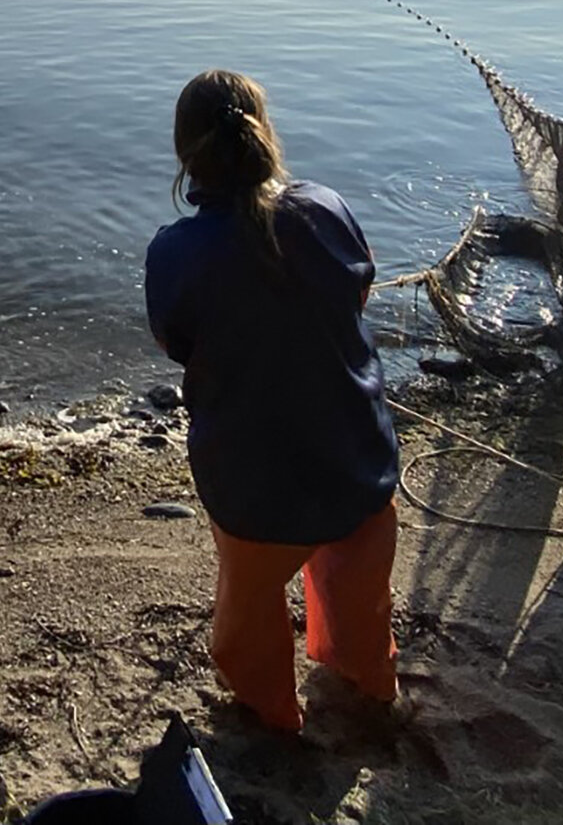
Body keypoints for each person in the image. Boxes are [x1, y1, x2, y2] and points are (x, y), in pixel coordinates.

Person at [144, 69, 400, 733]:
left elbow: (176, 341)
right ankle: (367, 681)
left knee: (249, 612)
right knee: (359, 598)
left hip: (253, 486)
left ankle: (271, 714)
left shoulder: (176, 250)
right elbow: (358, 292)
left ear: (185, 155)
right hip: (357, 458)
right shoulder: (323, 207)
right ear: (264, 133)